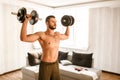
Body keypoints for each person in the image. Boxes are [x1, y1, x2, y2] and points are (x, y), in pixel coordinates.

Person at [20, 14, 70, 80]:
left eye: (55, 22)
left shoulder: (57, 34)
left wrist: (68, 24)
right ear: (47, 23)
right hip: (45, 65)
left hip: (55, 64)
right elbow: (24, 38)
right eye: (53, 21)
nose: (55, 23)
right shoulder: (42, 35)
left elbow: (67, 36)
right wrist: (26, 21)